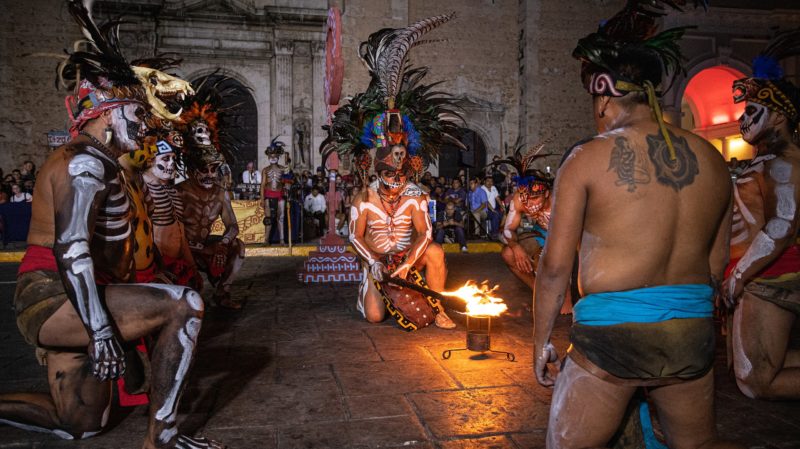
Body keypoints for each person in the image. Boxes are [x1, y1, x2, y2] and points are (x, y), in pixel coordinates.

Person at [0, 3, 219, 447]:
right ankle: (165, 436)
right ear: (106, 113)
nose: (143, 128)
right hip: (54, 297)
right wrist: (101, 332)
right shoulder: (82, 163)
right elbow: (73, 250)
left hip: (74, 295)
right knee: (185, 304)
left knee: (82, 422)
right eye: (136, 116)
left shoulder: (108, 165)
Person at [533, 3, 741, 448]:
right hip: (690, 332)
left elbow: (554, 267)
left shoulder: (586, 158)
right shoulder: (713, 161)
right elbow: (715, 263)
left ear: (604, 96)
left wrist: (540, 342)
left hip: (615, 336)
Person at [328, 14, 460, 331]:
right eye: (391, 171)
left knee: (437, 251)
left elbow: (426, 233)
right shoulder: (364, 198)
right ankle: (369, 290)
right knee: (375, 316)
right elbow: (354, 236)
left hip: (405, 257)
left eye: (402, 170)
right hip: (376, 260)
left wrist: (407, 264)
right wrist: (374, 262)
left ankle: (437, 304)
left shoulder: (416, 196)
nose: (397, 178)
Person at [724, 29, 800, 400]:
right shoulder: (770, 161)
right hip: (760, 276)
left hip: (771, 276)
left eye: (752, 111)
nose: (743, 119)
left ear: (778, 118)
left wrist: (740, 274)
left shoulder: (785, 162)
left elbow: (783, 223)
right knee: (750, 370)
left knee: (756, 380)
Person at [177, 76, 246, 310]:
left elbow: (233, 225)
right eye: (203, 170)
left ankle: (222, 292)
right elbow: (169, 234)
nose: (209, 174)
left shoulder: (219, 193)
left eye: (213, 169)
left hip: (207, 245)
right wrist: (201, 249)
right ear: (192, 170)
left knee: (239, 246)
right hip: (182, 249)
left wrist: (223, 243)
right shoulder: (180, 191)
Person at [261, 137, 291, 245]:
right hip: (268, 195)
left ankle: (282, 240)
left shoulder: (283, 169)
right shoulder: (265, 170)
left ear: (278, 157)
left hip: (280, 195)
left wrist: (288, 183)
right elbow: (263, 185)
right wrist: (262, 199)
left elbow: (288, 182)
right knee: (268, 219)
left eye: (275, 156)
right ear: (268, 157)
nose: (273, 158)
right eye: (271, 156)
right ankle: (266, 240)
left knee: (281, 218)